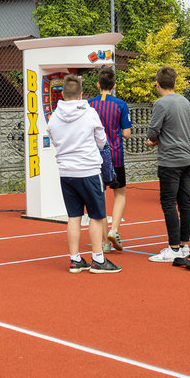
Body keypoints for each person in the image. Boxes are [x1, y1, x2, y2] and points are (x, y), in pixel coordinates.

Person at [46, 74, 121, 274]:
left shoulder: (54, 116)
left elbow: (53, 138)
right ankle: (98, 259)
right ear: (81, 94)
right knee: (96, 216)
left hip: (66, 172)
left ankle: (75, 259)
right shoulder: (89, 112)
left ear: (63, 94)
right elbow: (102, 140)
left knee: (74, 216)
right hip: (89, 170)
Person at [144, 67, 190, 262]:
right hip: (187, 157)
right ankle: (183, 244)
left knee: (168, 202)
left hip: (170, 159)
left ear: (157, 84)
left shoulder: (160, 103)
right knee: (184, 202)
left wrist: (153, 140)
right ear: (174, 83)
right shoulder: (185, 101)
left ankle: (174, 248)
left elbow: (153, 131)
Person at [88, 66, 132, 253]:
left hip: (95, 156)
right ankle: (114, 229)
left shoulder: (89, 104)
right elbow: (127, 133)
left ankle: (105, 242)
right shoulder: (120, 105)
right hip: (115, 155)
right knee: (120, 194)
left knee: (100, 196)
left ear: (98, 85)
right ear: (114, 86)